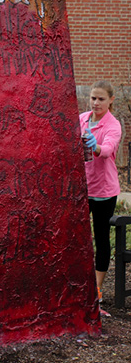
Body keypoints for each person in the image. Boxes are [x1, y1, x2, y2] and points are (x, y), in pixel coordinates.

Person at [79, 80, 121, 307]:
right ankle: (77, 285)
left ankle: (97, 290)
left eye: (101, 99)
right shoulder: (82, 119)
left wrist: (96, 146)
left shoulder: (113, 125)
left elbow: (107, 150)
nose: (96, 103)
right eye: (93, 98)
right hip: (83, 189)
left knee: (102, 238)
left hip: (104, 191)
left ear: (111, 100)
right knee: (76, 236)